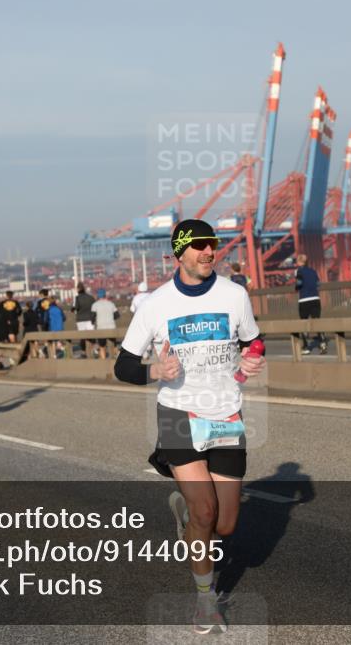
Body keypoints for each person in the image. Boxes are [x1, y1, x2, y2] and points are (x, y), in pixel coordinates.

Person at [114, 219, 264, 635]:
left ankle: (184, 514)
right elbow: (123, 366)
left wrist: (250, 361)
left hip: (226, 415)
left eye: (211, 244)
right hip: (178, 415)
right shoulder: (156, 305)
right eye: (198, 246)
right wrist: (155, 370)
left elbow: (253, 341)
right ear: (179, 253)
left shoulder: (234, 295)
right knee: (206, 511)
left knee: (225, 524)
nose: (208, 252)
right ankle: (205, 603)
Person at [294, 254, 327, 355]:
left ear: (299, 262)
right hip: (315, 299)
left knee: (304, 324)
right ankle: (323, 344)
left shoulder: (299, 271)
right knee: (317, 322)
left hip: (304, 300)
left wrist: (297, 288)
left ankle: (306, 347)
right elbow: (318, 284)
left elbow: (299, 283)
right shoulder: (313, 271)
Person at [90, 288, 119, 359]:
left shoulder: (95, 305)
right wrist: (110, 318)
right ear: (105, 295)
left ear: (98, 296)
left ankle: (103, 361)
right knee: (112, 345)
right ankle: (114, 359)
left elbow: (92, 317)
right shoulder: (111, 304)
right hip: (111, 327)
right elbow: (117, 315)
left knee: (102, 346)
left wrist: (93, 322)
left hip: (101, 328)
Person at [72, 283, 96, 356]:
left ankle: (84, 351)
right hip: (90, 319)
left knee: (83, 337)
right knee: (91, 336)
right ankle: (91, 350)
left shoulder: (77, 298)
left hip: (80, 320)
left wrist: (72, 309)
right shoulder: (91, 297)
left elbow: (76, 307)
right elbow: (94, 308)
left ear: (78, 289)